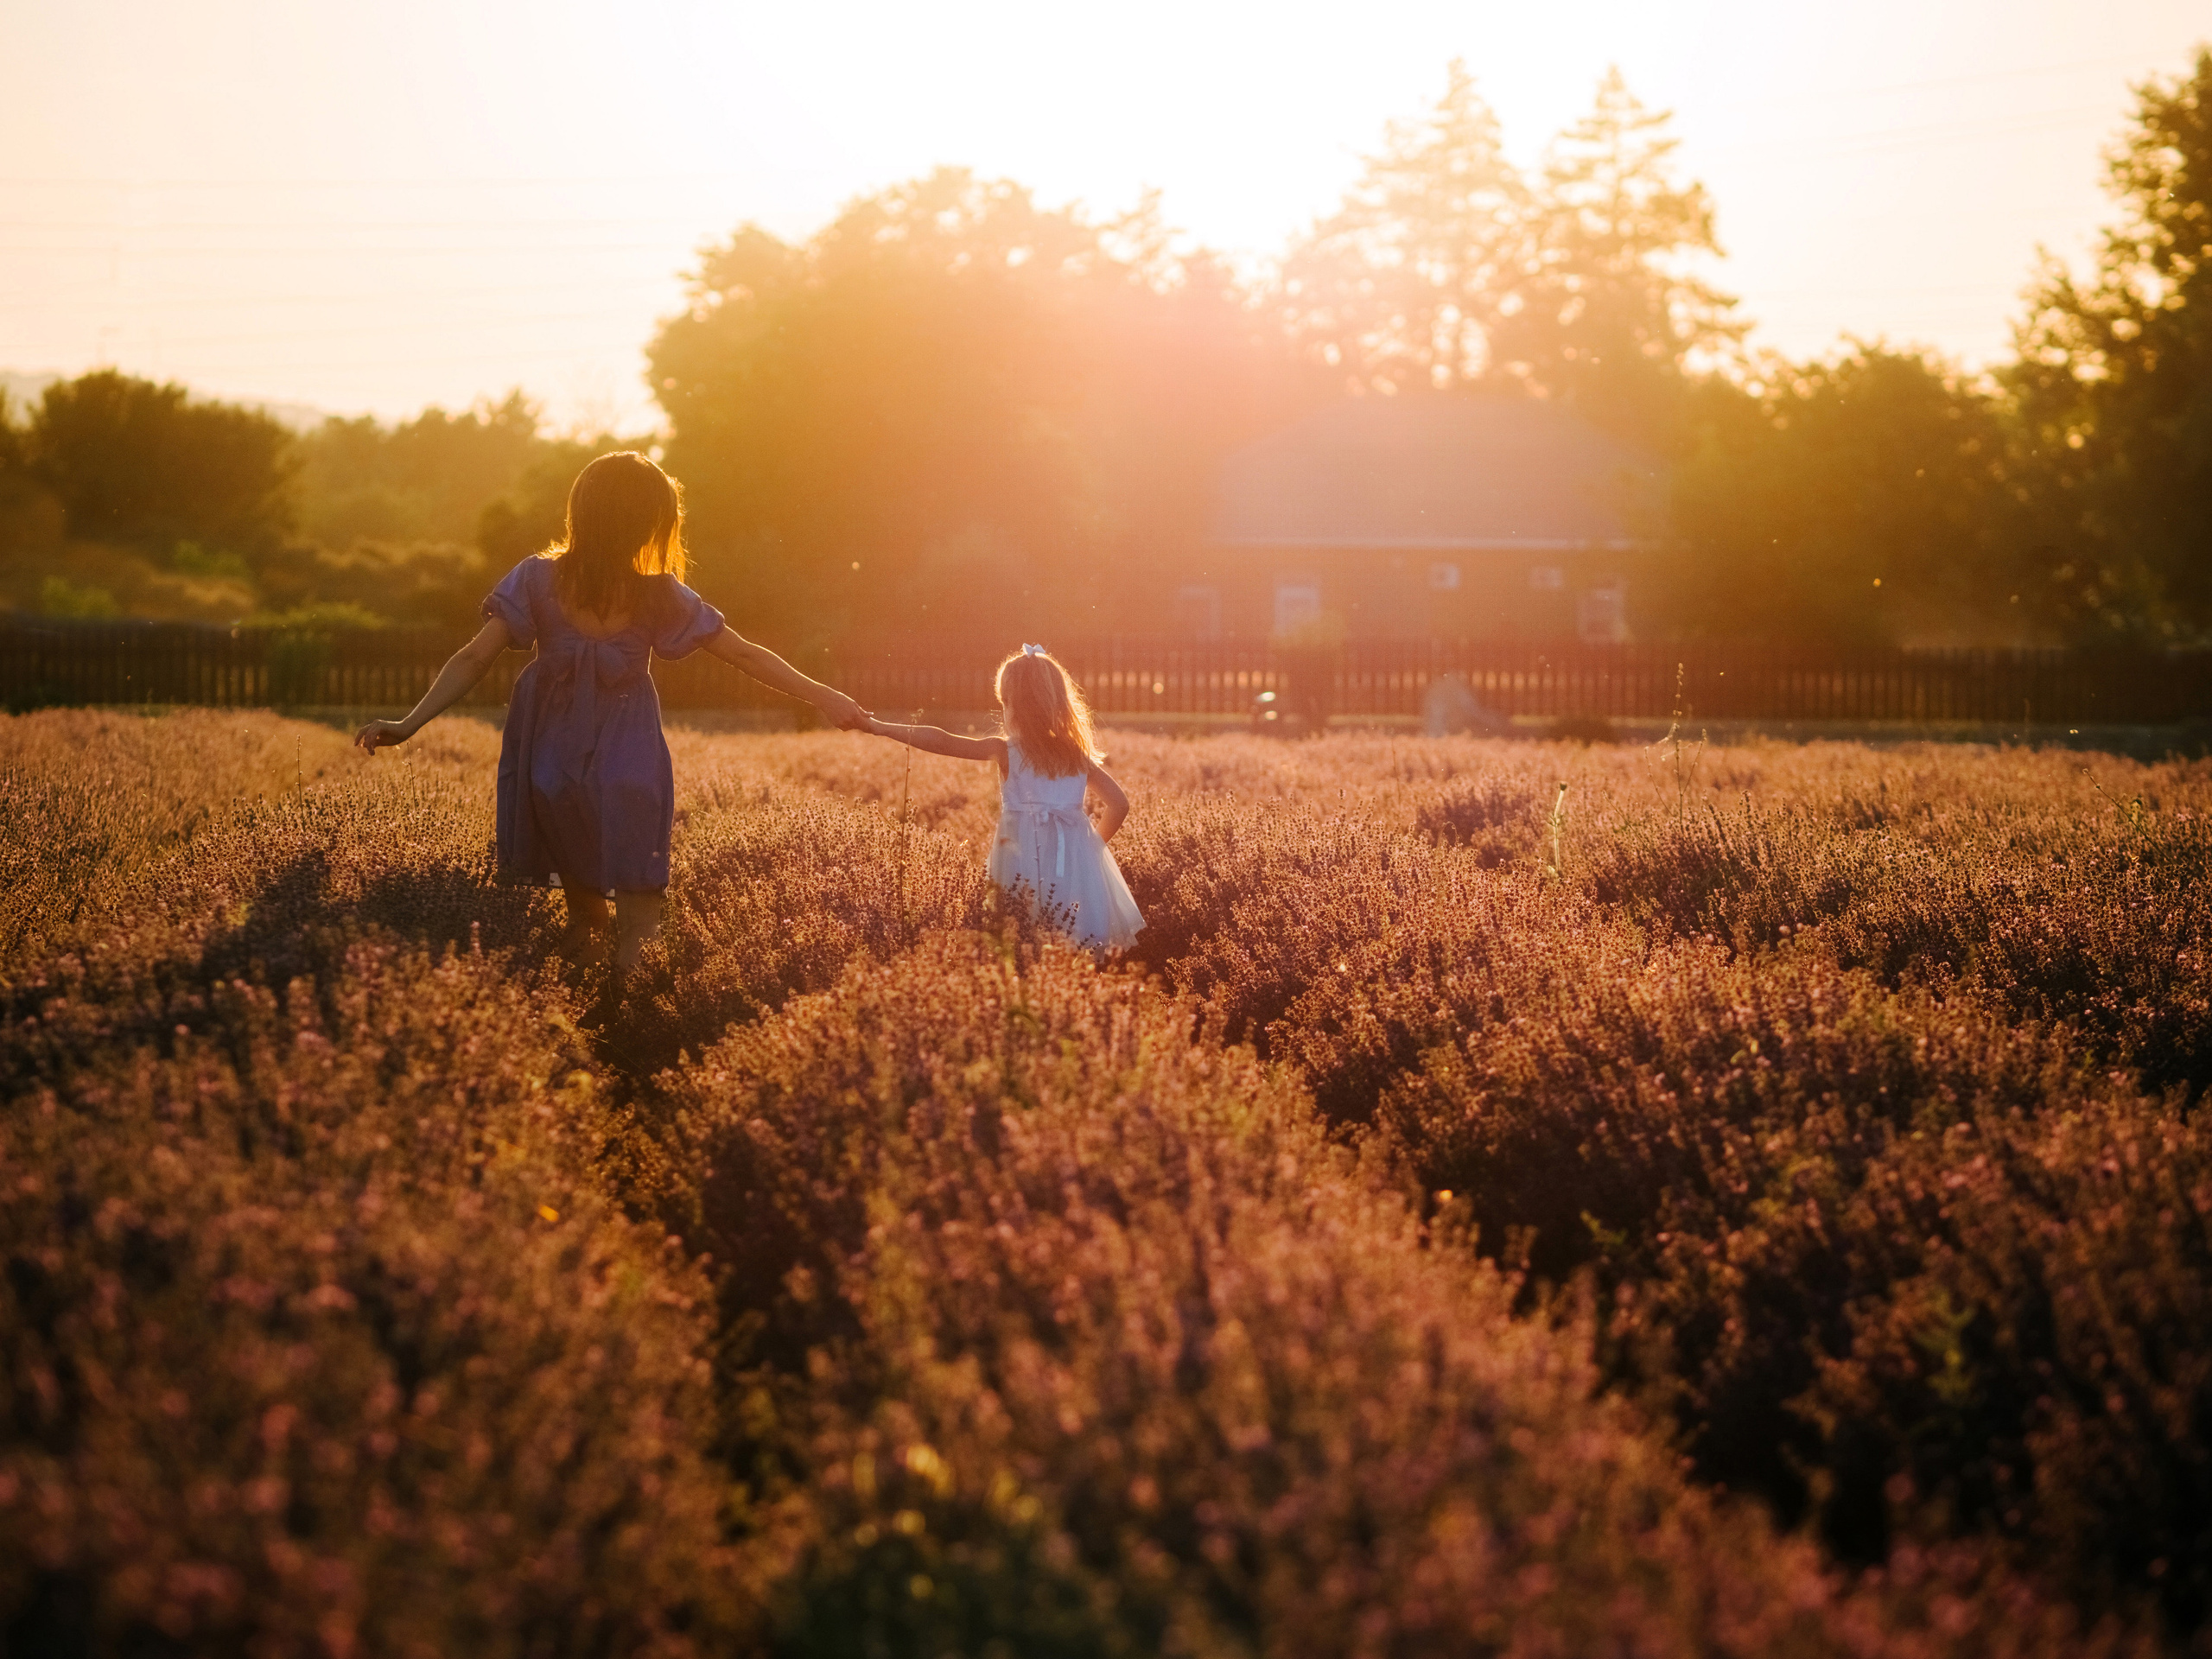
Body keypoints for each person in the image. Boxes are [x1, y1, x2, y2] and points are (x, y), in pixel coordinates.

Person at [354, 450, 868, 969]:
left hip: (550, 768)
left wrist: (408, 723)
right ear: (650, 524)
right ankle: (633, 1021)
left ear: (581, 511)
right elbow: (745, 654)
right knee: (641, 914)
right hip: (630, 765)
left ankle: (581, 1021)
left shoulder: (535, 580)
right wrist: (825, 696)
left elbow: (472, 658)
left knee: (585, 919)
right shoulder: (658, 594)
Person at [864, 644, 1142, 950]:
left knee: (1018, 936)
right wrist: (1088, 849)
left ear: (1016, 706)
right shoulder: (1076, 757)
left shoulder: (1005, 751)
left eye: (1005, 702)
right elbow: (1120, 804)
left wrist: (880, 727)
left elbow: (943, 742)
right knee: (1074, 942)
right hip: (1071, 866)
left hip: (1019, 861)